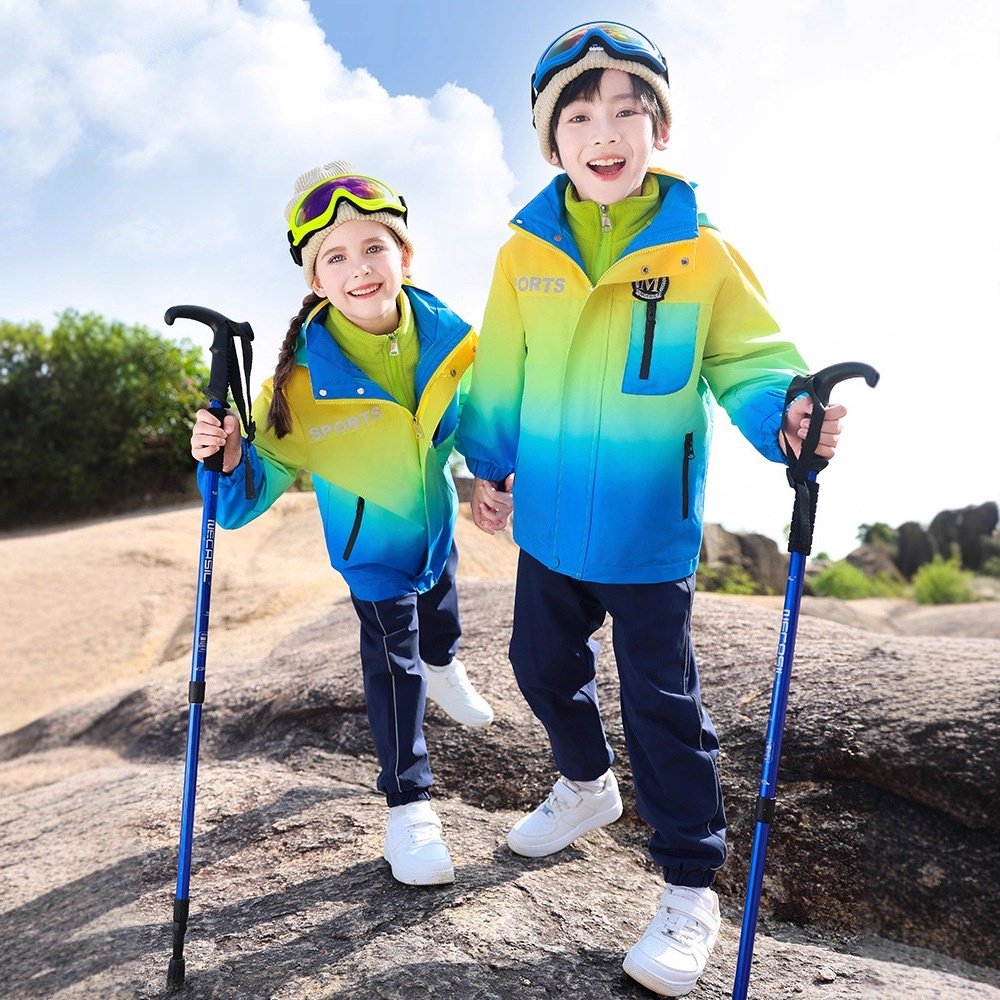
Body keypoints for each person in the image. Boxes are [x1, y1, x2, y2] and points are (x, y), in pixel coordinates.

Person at [457, 22, 847, 997]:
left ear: (658, 128)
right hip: (549, 525)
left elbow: (750, 361)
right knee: (536, 666)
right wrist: (487, 469)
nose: (606, 130)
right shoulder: (522, 254)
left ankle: (688, 889)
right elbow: (499, 370)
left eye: (629, 110)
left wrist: (786, 416)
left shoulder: (700, 251)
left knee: (664, 710)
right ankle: (585, 786)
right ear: (553, 142)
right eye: (580, 114)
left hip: (645, 533)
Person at [190, 160, 494, 888]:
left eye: (372, 248)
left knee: (441, 622)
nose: (358, 268)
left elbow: (484, 420)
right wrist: (227, 457)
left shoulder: (454, 341)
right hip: (370, 551)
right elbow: (242, 498)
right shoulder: (298, 381)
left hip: (436, 529)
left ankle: (446, 662)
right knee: (395, 661)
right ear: (315, 281)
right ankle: (409, 808)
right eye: (335, 257)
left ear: (404, 257)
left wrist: (493, 473)